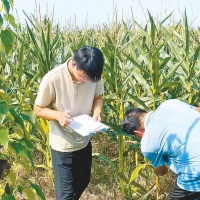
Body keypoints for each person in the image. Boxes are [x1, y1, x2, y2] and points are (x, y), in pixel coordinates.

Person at [34, 46, 104, 200]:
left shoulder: (93, 74)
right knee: (65, 196)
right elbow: (38, 109)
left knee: (83, 182)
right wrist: (58, 115)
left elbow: (98, 97)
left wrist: (97, 111)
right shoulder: (52, 79)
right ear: (73, 64)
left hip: (84, 141)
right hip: (62, 146)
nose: (87, 81)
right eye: (83, 77)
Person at [121, 99, 200, 200]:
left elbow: (162, 172)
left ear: (138, 132)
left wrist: (157, 165)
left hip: (196, 173)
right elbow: (198, 110)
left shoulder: (148, 143)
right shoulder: (170, 103)